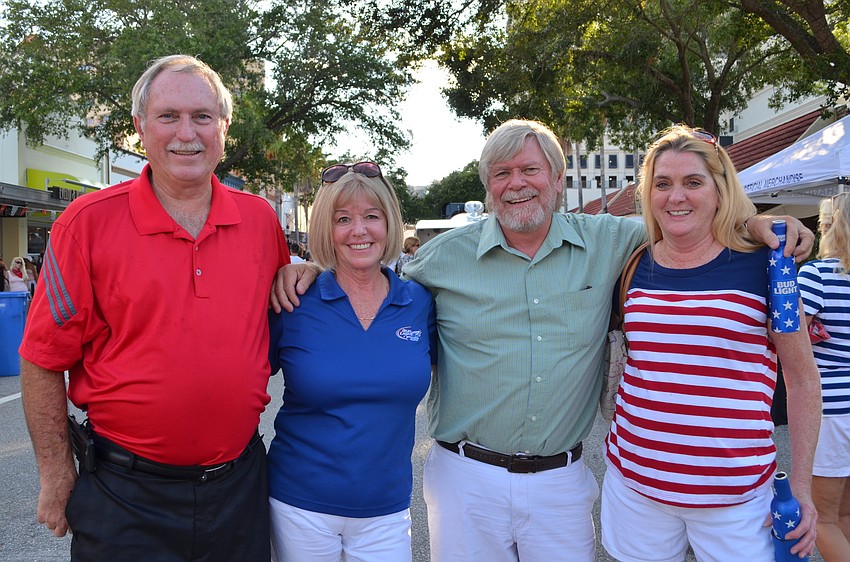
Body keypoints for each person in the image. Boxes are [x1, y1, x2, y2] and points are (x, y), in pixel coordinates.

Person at [274, 119, 816, 562]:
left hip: (562, 478)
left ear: (557, 179)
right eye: (502, 173)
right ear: (487, 187)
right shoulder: (441, 259)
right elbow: (366, 276)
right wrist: (308, 269)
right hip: (464, 477)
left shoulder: (615, 240)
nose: (517, 183)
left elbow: (686, 222)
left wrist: (772, 229)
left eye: (531, 169)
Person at [18, 54, 288, 561]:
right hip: (125, 496)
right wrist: (56, 475)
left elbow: (279, 313)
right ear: (141, 127)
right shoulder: (85, 223)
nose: (186, 132)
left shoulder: (260, 222)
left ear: (224, 128)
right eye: (168, 116)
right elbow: (41, 358)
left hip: (239, 489)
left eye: (202, 117)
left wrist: (310, 270)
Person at [602, 125, 821, 561]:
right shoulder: (633, 264)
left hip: (737, 500)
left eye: (693, 182)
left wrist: (801, 487)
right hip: (635, 488)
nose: (675, 196)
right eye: (662, 184)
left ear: (720, 189)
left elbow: (801, 380)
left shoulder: (767, 268)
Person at [267, 161, 436, 561]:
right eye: (343, 219)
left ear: (390, 223)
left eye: (371, 217)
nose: (359, 230)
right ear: (326, 229)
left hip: (387, 508)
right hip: (299, 505)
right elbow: (241, 381)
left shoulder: (419, 302)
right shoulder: (292, 301)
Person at [798, 192, 850, 561]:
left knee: (824, 518)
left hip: (831, 408)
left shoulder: (817, 275)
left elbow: (789, 338)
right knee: (845, 513)